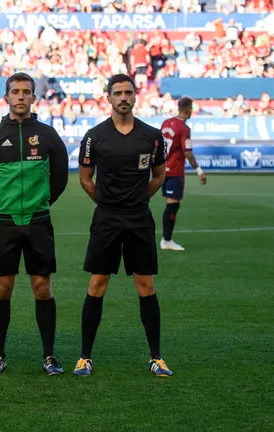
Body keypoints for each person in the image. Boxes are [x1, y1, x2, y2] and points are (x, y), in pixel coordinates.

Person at [74, 74, 172, 377]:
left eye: (128, 92)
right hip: (107, 218)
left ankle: (156, 357)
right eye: (117, 93)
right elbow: (85, 179)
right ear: (108, 98)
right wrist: (106, 203)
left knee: (146, 286)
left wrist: (138, 199)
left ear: (135, 96)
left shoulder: (152, 136)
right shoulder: (94, 136)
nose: (123, 98)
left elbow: (159, 175)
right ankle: (84, 357)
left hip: (139, 218)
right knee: (97, 284)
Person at [0, 72, 69, 376]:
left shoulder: (48, 135)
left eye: (25, 92)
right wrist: (3, 205)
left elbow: (60, 178)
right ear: (6, 97)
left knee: (42, 287)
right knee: (2, 288)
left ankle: (49, 356)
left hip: (39, 222)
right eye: (15, 92)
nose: (20, 96)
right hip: (4, 224)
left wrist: (41, 202)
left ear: (33, 97)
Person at [159, 96, 207, 251]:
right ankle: (167, 240)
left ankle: (166, 239)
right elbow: (188, 153)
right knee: (173, 205)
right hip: (174, 171)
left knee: (170, 204)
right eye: (191, 108)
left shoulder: (166, 123)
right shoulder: (184, 128)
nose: (192, 111)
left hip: (163, 171)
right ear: (187, 109)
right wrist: (199, 171)